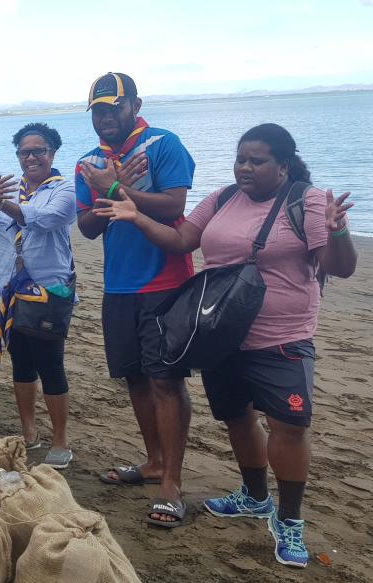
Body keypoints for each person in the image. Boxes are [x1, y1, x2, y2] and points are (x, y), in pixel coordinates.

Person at [95, 123, 357, 567]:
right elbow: (181, 240)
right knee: (237, 417)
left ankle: (289, 520)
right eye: (241, 159)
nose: (246, 168)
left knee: (288, 426)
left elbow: (341, 267)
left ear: (283, 165)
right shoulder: (222, 198)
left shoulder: (307, 200)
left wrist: (336, 232)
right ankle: (255, 497)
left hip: (281, 336)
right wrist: (137, 217)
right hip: (219, 333)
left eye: (257, 160)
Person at [74, 73, 196, 528]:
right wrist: (107, 188)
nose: (106, 118)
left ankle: (172, 482)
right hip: (118, 286)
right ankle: (153, 462)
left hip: (165, 283)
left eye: (114, 108)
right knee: (135, 380)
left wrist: (116, 189)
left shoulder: (163, 144)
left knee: (166, 381)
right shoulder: (88, 161)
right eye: (98, 111)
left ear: (135, 105)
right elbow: (87, 227)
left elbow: (173, 205)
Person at [0, 123, 76, 468]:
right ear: (17, 156)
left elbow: (43, 219)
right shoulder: (8, 189)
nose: (31, 157)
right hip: (9, 289)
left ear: (52, 153)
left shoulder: (64, 190)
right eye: (24, 152)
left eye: (38, 151)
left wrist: (1, 201)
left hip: (46, 291)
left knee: (51, 364)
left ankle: (60, 440)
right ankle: (29, 433)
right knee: (23, 364)